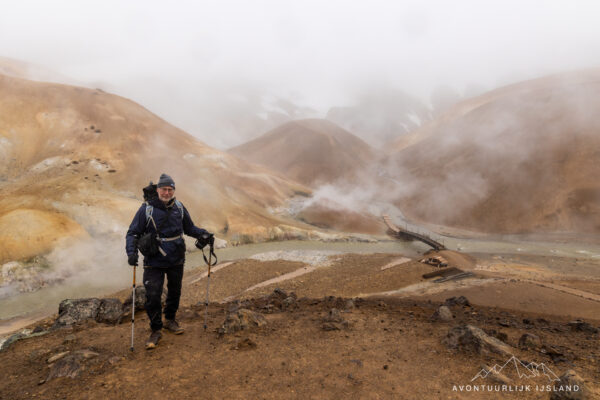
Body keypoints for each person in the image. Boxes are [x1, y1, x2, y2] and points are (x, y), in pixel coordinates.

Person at [125, 173, 212, 349]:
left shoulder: (179, 207)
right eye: (164, 189)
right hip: (153, 260)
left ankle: (170, 320)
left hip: (176, 258)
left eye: (170, 189)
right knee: (153, 295)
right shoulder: (146, 209)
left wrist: (205, 234)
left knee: (175, 292)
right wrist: (131, 253)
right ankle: (156, 329)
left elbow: (189, 228)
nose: (167, 192)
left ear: (173, 190)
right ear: (158, 189)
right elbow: (133, 233)